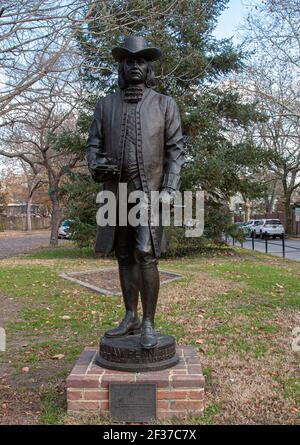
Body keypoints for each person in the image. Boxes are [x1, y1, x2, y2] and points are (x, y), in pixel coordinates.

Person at [86, 36, 184, 349]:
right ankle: (129, 315)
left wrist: (170, 186)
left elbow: (176, 149)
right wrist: (96, 164)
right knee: (124, 253)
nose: (135, 66)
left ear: (148, 67)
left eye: (141, 60)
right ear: (121, 67)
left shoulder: (164, 104)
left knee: (145, 251)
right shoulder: (106, 105)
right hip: (116, 193)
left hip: (150, 192)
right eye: (129, 61)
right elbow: (92, 145)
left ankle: (148, 322)